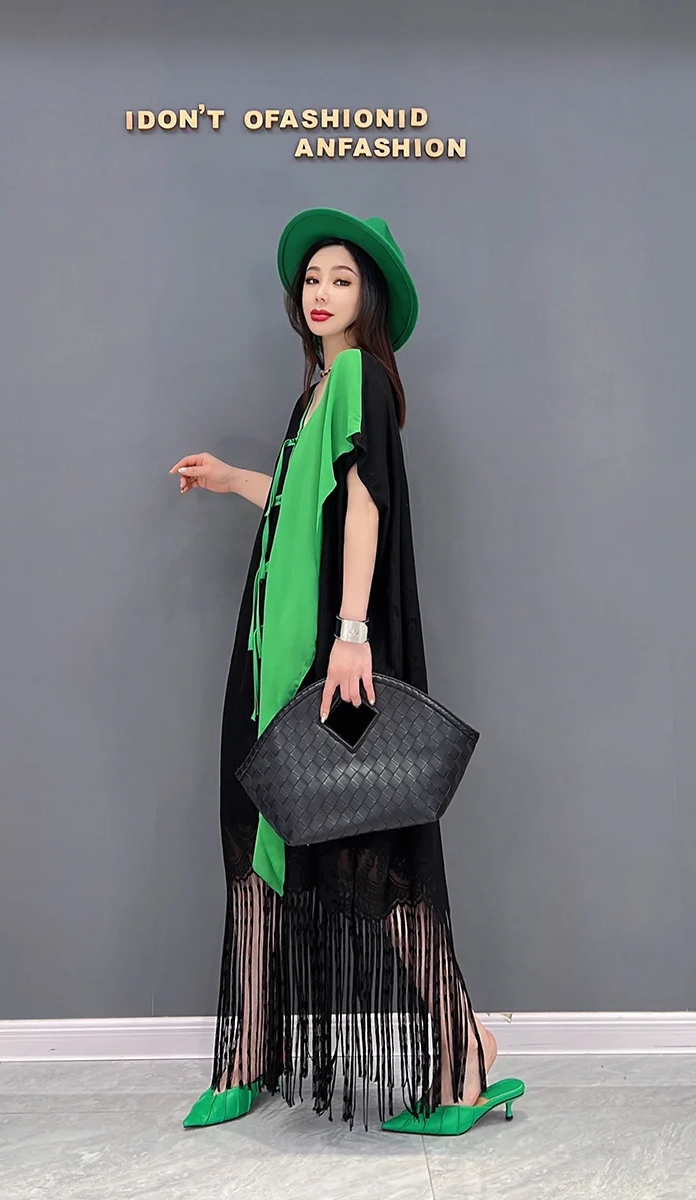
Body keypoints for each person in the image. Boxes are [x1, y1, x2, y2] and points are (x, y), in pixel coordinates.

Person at [170, 208, 524, 1135]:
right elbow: (305, 498)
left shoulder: (359, 374)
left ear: (370, 300)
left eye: (341, 280)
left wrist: (353, 632)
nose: (322, 293)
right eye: (312, 280)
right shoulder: (318, 392)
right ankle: (247, 1052)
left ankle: (462, 1057)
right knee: (256, 842)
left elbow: (362, 501)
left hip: (325, 658)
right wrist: (231, 480)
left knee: (375, 851)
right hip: (270, 656)